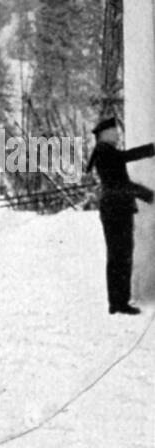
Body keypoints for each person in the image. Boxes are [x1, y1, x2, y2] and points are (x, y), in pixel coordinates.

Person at [86, 116, 154, 315]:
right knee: (120, 256)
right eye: (114, 131)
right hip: (116, 209)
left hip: (116, 208)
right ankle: (118, 302)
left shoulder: (105, 152)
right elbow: (123, 172)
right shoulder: (105, 152)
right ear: (105, 134)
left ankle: (118, 301)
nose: (117, 134)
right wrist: (147, 194)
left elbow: (123, 160)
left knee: (119, 256)